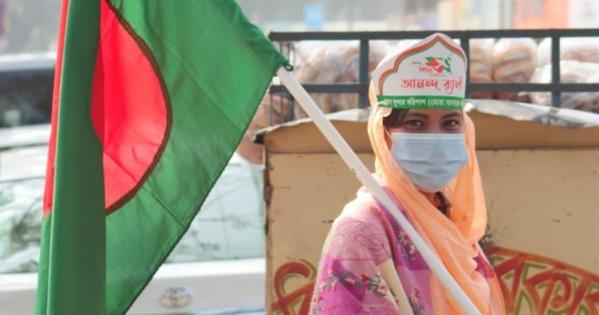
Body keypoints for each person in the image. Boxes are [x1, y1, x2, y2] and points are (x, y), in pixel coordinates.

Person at [308, 33, 506, 314]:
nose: (436, 139)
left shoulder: (450, 222)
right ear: (384, 136)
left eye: (450, 123)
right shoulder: (360, 234)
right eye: (415, 123)